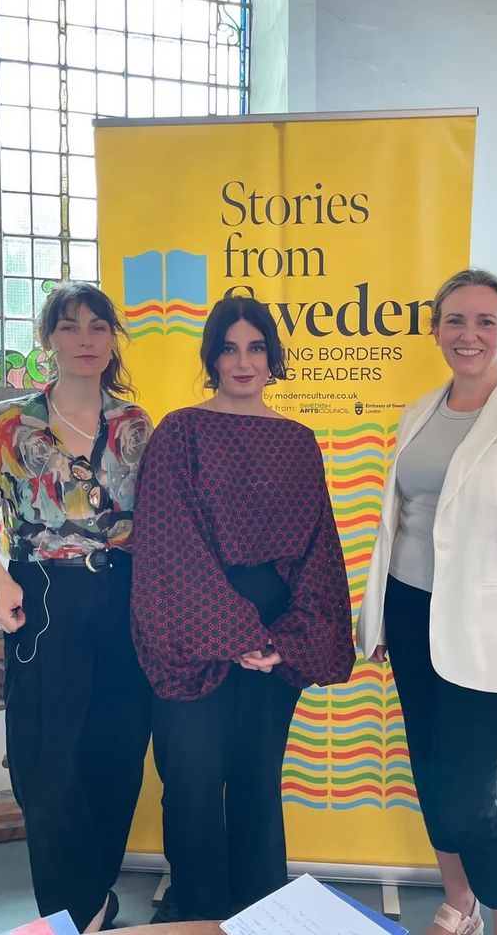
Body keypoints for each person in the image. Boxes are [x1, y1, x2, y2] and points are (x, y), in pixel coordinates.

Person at [357, 269, 497, 935]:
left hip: (491, 634)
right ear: (436, 330)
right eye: (456, 320)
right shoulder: (421, 409)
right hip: (409, 611)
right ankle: (461, 904)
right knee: (429, 778)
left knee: (465, 804)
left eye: (486, 321)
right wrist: (377, 616)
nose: (470, 334)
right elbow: (396, 522)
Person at [130, 295, 355, 923]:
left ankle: (262, 910)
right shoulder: (180, 431)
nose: (243, 360)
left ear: (272, 356)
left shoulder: (298, 441)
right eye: (229, 347)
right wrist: (236, 632)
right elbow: (167, 542)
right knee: (194, 781)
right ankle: (198, 909)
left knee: (258, 780)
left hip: (275, 638)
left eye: (256, 347)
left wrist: (288, 638)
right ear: (211, 355)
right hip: (191, 628)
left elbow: (319, 548)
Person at [0, 282, 153, 934]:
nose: (85, 340)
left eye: (98, 327)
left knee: (117, 751)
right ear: (48, 339)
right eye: (70, 328)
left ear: (112, 338)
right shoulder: (7, 423)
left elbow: (156, 519)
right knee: (47, 761)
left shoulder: (133, 424)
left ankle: (94, 897)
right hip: (42, 597)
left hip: (124, 596)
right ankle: (71, 909)